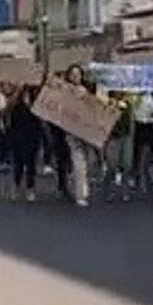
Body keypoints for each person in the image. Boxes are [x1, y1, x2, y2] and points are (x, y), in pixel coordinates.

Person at [62, 65, 92, 207]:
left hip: (86, 129)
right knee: (78, 160)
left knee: (85, 160)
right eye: (73, 74)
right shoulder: (65, 90)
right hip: (72, 130)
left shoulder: (85, 90)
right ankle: (80, 193)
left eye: (78, 74)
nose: (76, 77)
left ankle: (78, 186)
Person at [6, 85, 43, 202]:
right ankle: (16, 185)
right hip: (17, 131)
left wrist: (30, 103)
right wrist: (18, 92)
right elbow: (8, 108)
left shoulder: (37, 94)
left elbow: (42, 114)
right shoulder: (15, 93)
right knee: (18, 162)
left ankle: (30, 188)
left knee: (31, 162)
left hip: (33, 132)